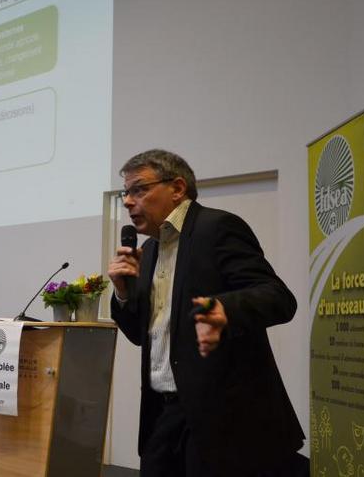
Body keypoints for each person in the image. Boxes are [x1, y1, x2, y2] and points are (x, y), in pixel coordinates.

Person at [108, 150, 304, 476]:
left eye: (139, 189)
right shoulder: (150, 250)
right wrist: (123, 293)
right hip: (163, 413)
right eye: (125, 192)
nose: (128, 201)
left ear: (178, 188)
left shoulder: (218, 228)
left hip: (222, 417)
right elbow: (139, 336)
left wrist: (223, 308)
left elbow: (279, 297)